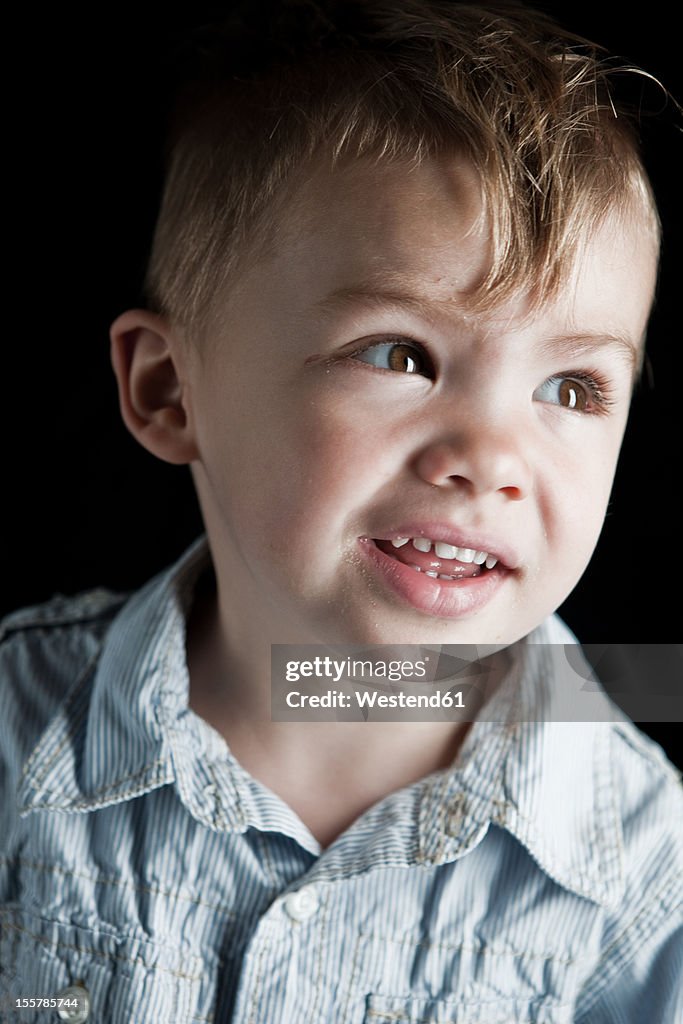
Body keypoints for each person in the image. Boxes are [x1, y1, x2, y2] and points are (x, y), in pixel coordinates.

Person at [1, 2, 681, 1021]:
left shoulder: (640, 880)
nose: (490, 459)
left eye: (570, 387)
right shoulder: (16, 735)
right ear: (168, 390)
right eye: (398, 354)